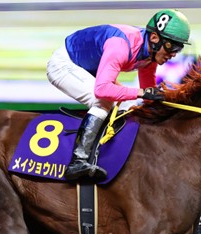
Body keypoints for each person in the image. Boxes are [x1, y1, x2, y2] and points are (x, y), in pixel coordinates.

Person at [47, 9, 191, 181]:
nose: (174, 54)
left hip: (88, 67)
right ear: (154, 38)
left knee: (129, 106)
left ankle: (110, 153)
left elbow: (148, 94)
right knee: (102, 102)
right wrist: (140, 93)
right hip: (64, 64)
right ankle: (78, 161)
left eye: (179, 48)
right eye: (171, 46)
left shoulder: (151, 53)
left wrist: (167, 103)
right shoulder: (120, 46)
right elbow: (102, 90)